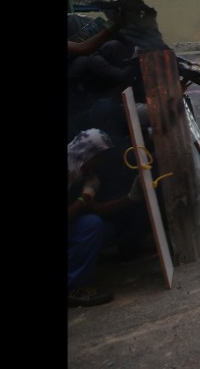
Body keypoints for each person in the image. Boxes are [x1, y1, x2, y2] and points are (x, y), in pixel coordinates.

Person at [67, 128, 145, 307]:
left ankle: (79, 265)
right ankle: (73, 287)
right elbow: (86, 205)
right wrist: (84, 197)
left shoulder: (83, 172)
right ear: (88, 154)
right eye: (99, 156)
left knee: (105, 230)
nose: (101, 162)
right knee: (90, 226)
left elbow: (97, 209)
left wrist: (130, 199)